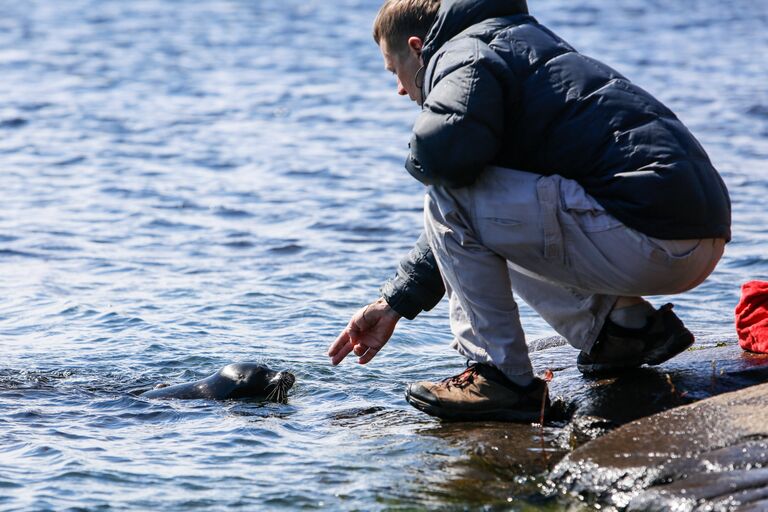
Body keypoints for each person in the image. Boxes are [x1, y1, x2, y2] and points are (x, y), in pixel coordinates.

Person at [327, 0, 731, 422]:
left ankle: (500, 376)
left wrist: (414, 155)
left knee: (444, 192)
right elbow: (484, 217)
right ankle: (622, 327)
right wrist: (393, 303)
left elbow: (442, 160)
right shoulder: (520, 43)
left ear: (417, 48)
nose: (399, 89)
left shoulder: (464, 53)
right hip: (694, 233)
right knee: (483, 206)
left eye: (395, 71)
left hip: (648, 234)